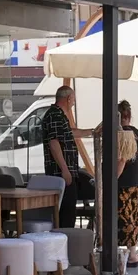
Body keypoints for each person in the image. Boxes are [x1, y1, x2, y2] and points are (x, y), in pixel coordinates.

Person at [42, 85, 95, 228]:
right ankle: (64, 244)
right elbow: (54, 143)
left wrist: (92, 132)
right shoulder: (55, 115)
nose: (74, 103)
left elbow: (69, 133)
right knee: (66, 215)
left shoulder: (59, 116)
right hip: (60, 174)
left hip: (65, 172)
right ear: (69, 98)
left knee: (68, 213)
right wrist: (65, 169)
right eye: (73, 100)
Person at [115, 100, 138, 268]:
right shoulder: (136, 133)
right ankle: (133, 253)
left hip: (121, 183)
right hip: (135, 182)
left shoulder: (120, 134)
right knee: (132, 217)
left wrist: (113, 177)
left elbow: (121, 160)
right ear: (129, 115)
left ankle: (129, 256)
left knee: (122, 218)